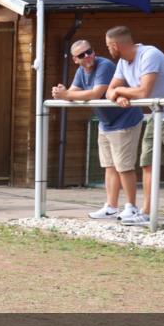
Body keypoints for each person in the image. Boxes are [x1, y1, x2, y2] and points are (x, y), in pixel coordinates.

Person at [105, 26, 164, 228]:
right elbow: (110, 91)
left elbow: (144, 91)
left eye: (108, 46)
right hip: (157, 112)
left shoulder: (149, 54)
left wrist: (120, 91)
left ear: (115, 45)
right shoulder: (122, 62)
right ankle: (146, 211)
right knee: (147, 162)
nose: (108, 49)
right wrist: (118, 96)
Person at [52, 39, 144, 220]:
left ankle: (131, 207)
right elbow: (72, 92)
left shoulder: (104, 65)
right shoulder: (81, 71)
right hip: (106, 123)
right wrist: (63, 93)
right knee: (109, 166)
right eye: (82, 55)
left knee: (124, 167)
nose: (87, 56)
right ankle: (111, 207)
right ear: (75, 59)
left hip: (125, 120)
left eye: (89, 51)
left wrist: (66, 94)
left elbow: (95, 93)